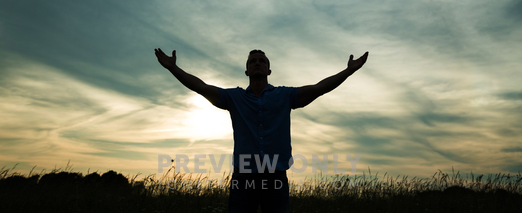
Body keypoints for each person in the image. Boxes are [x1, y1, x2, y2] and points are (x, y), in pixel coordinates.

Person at [154, 47, 369, 213]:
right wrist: (173, 68)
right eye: (253, 61)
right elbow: (200, 87)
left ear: (269, 70)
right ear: (246, 70)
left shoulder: (285, 95)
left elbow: (319, 88)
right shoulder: (234, 97)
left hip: (275, 176)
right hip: (243, 177)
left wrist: (348, 71)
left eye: (262, 61)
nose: (257, 63)